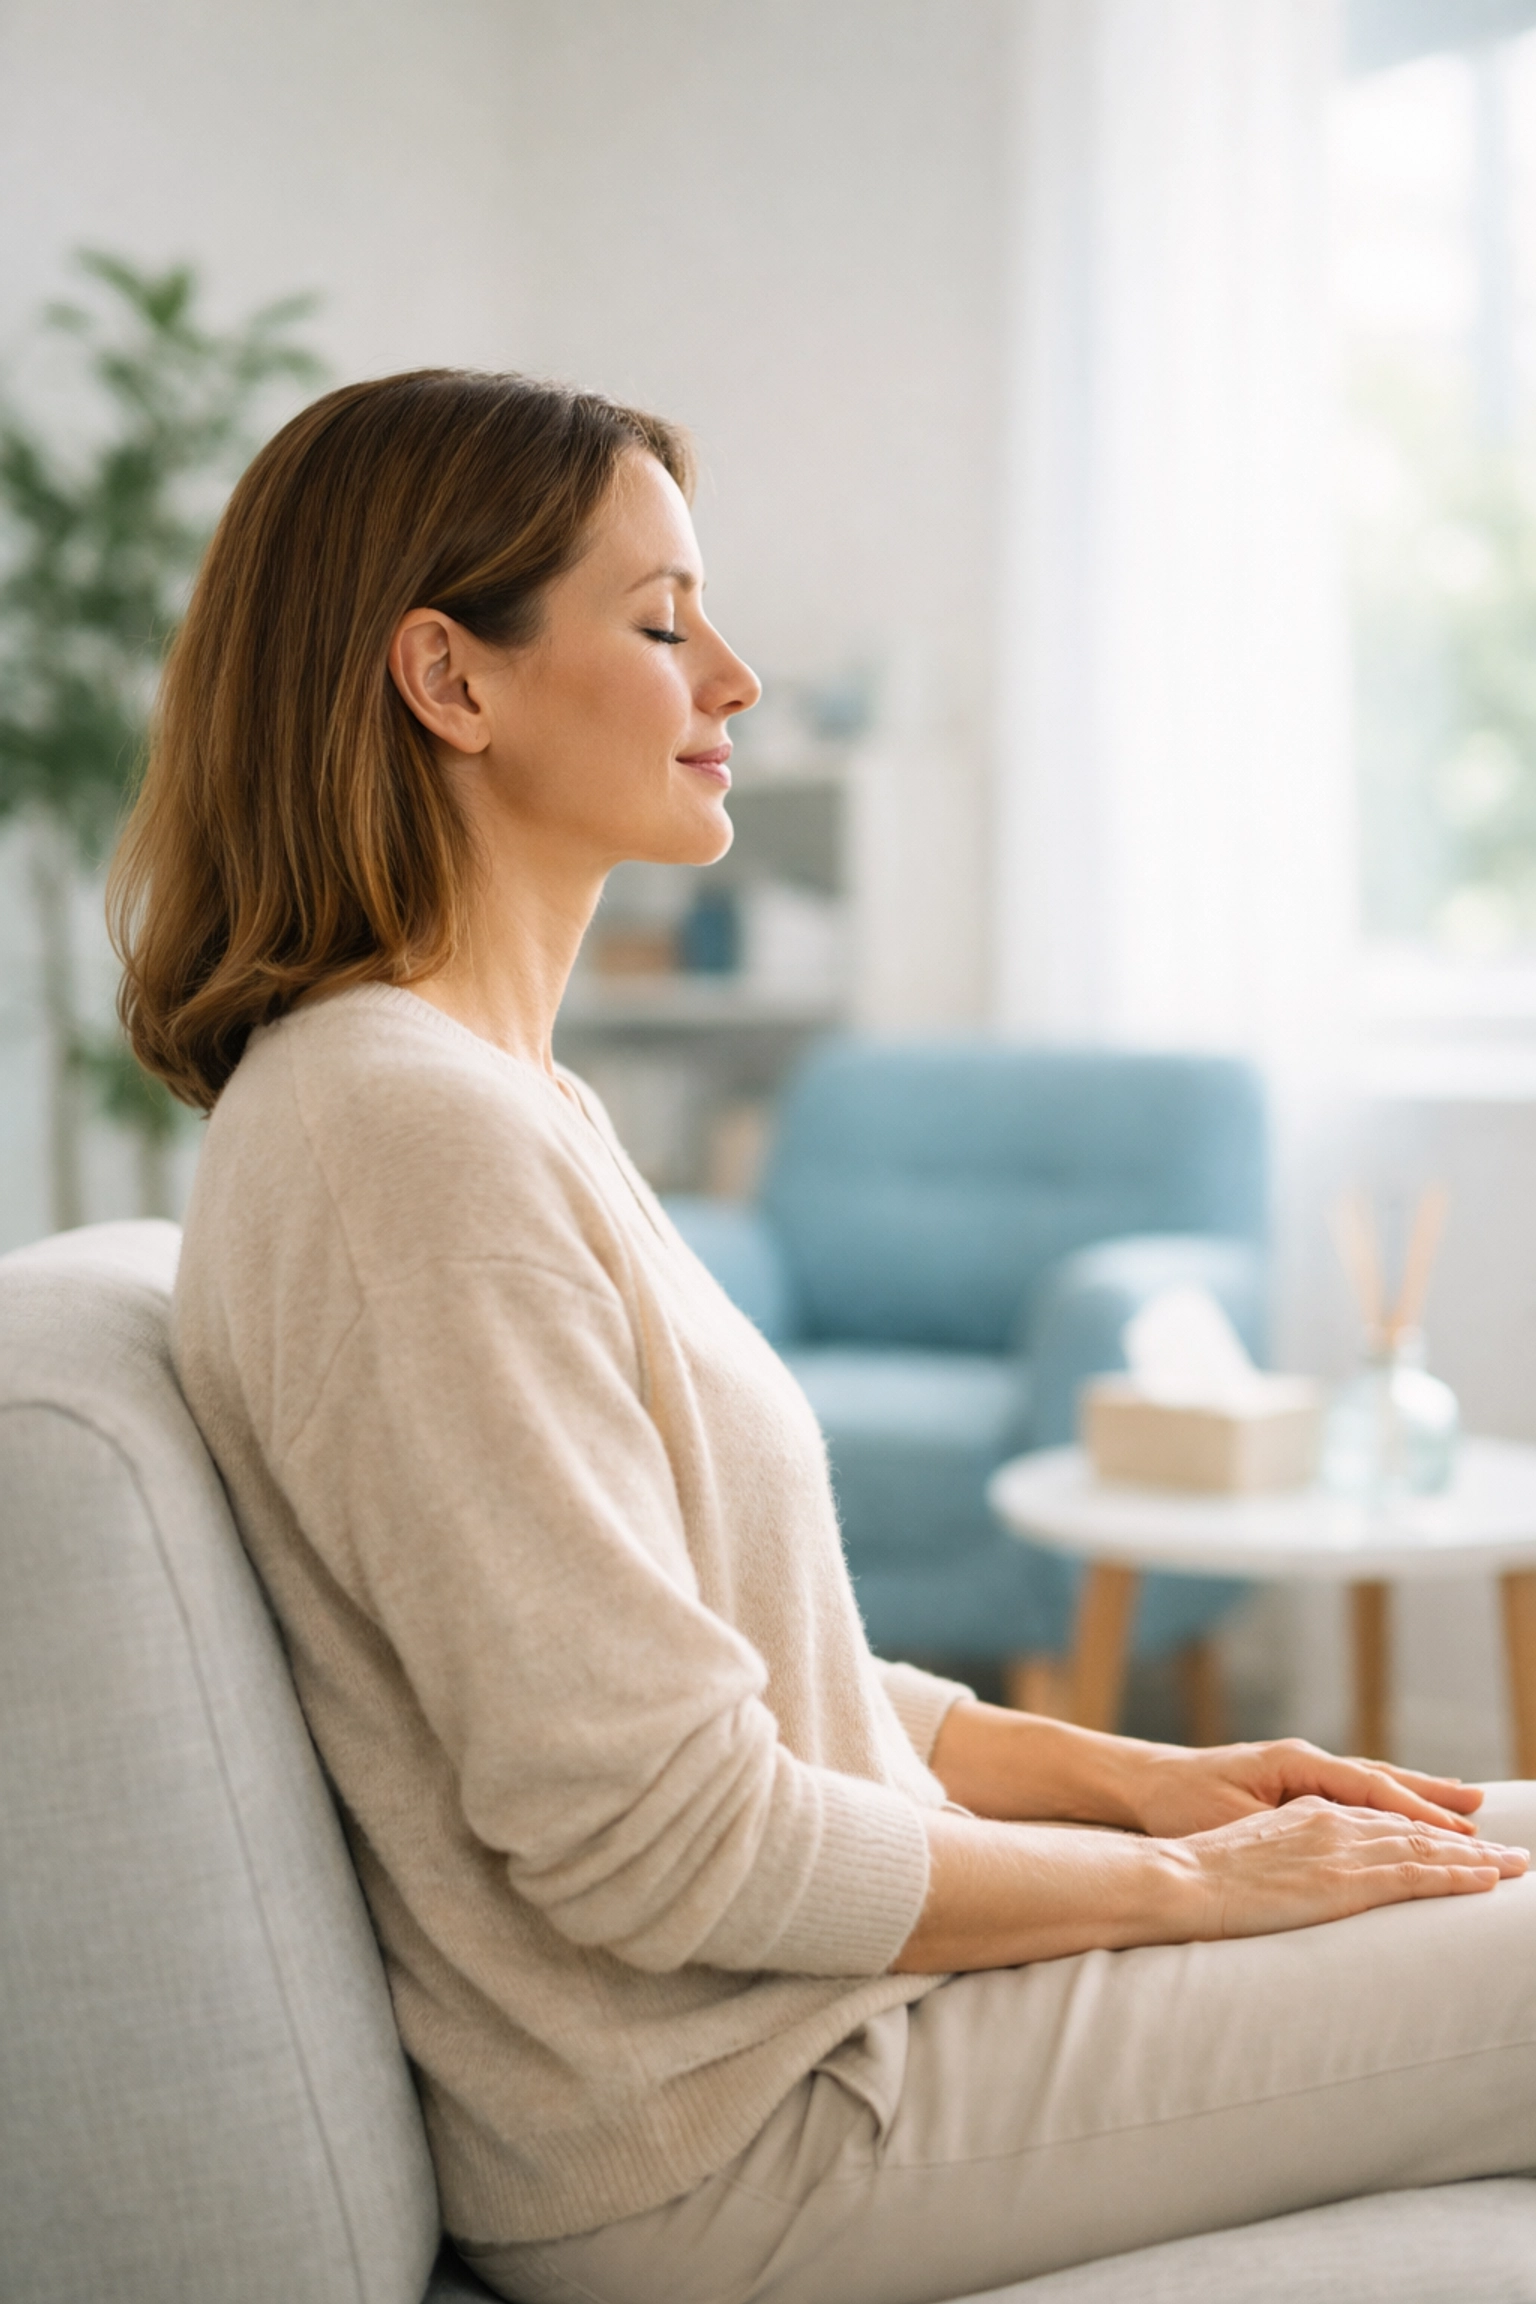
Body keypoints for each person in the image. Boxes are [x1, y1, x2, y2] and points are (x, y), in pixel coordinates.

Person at [112, 370, 1536, 2304]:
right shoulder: (401, 1136)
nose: (737, 680)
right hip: (746, 2125)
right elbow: (673, 1845)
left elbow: (734, 1679)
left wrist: (1142, 1782)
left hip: (808, 2032)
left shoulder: (485, 1099)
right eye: (661, 620)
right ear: (450, 680)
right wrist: (1196, 1894)